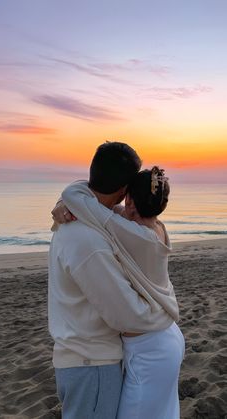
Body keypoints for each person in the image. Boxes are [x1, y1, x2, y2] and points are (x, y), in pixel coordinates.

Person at [48, 141, 171, 419]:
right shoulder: (89, 241)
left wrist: (64, 199)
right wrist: (165, 314)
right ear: (124, 190)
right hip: (92, 363)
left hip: (79, 357)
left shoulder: (84, 217)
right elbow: (125, 315)